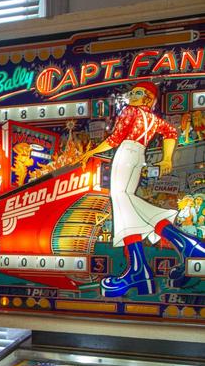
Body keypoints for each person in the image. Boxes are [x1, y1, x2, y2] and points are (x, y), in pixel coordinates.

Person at [77, 80, 205, 296]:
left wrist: (91, 152)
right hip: (139, 155)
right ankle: (161, 260)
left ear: (147, 97)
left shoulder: (129, 111)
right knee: (125, 203)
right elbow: (171, 133)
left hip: (126, 153)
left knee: (121, 200)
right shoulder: (153, 119)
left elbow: (116, 138)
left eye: (137, 92)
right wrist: (166, 159)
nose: (132, 95)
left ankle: (165, 254)